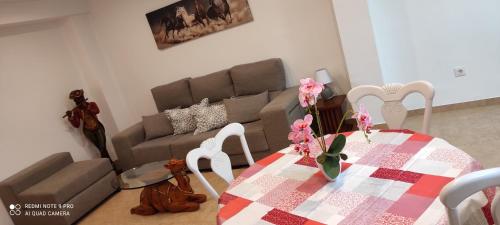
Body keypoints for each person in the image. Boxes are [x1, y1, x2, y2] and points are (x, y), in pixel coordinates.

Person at [64, 90, 110, 159]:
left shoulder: (91, 104)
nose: (79, 101)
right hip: (88, 131)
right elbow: (77, 125)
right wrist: (71, 117)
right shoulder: (76, 111)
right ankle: (111, 165)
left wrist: (88, 108)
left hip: (97, 127)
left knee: (102, 147)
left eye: (80, 99)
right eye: (77, 100)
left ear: (83, 97)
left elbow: (97, 111)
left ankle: (109, 164)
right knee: (100, 148)